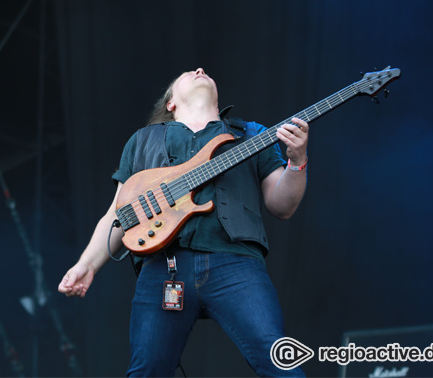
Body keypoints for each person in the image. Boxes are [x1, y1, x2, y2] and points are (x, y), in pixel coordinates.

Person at [58, 68, 309, 377]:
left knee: (278, 360)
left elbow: (281, 207)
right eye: (188, 73)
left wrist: (297, 161)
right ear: (171, 103)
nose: (200, 70)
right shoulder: (142, 141)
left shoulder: (252, 134)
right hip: (163, 267)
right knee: (146, 371)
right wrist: (86, 264)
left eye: (203, 71)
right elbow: (117, 215)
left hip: (237, 264)